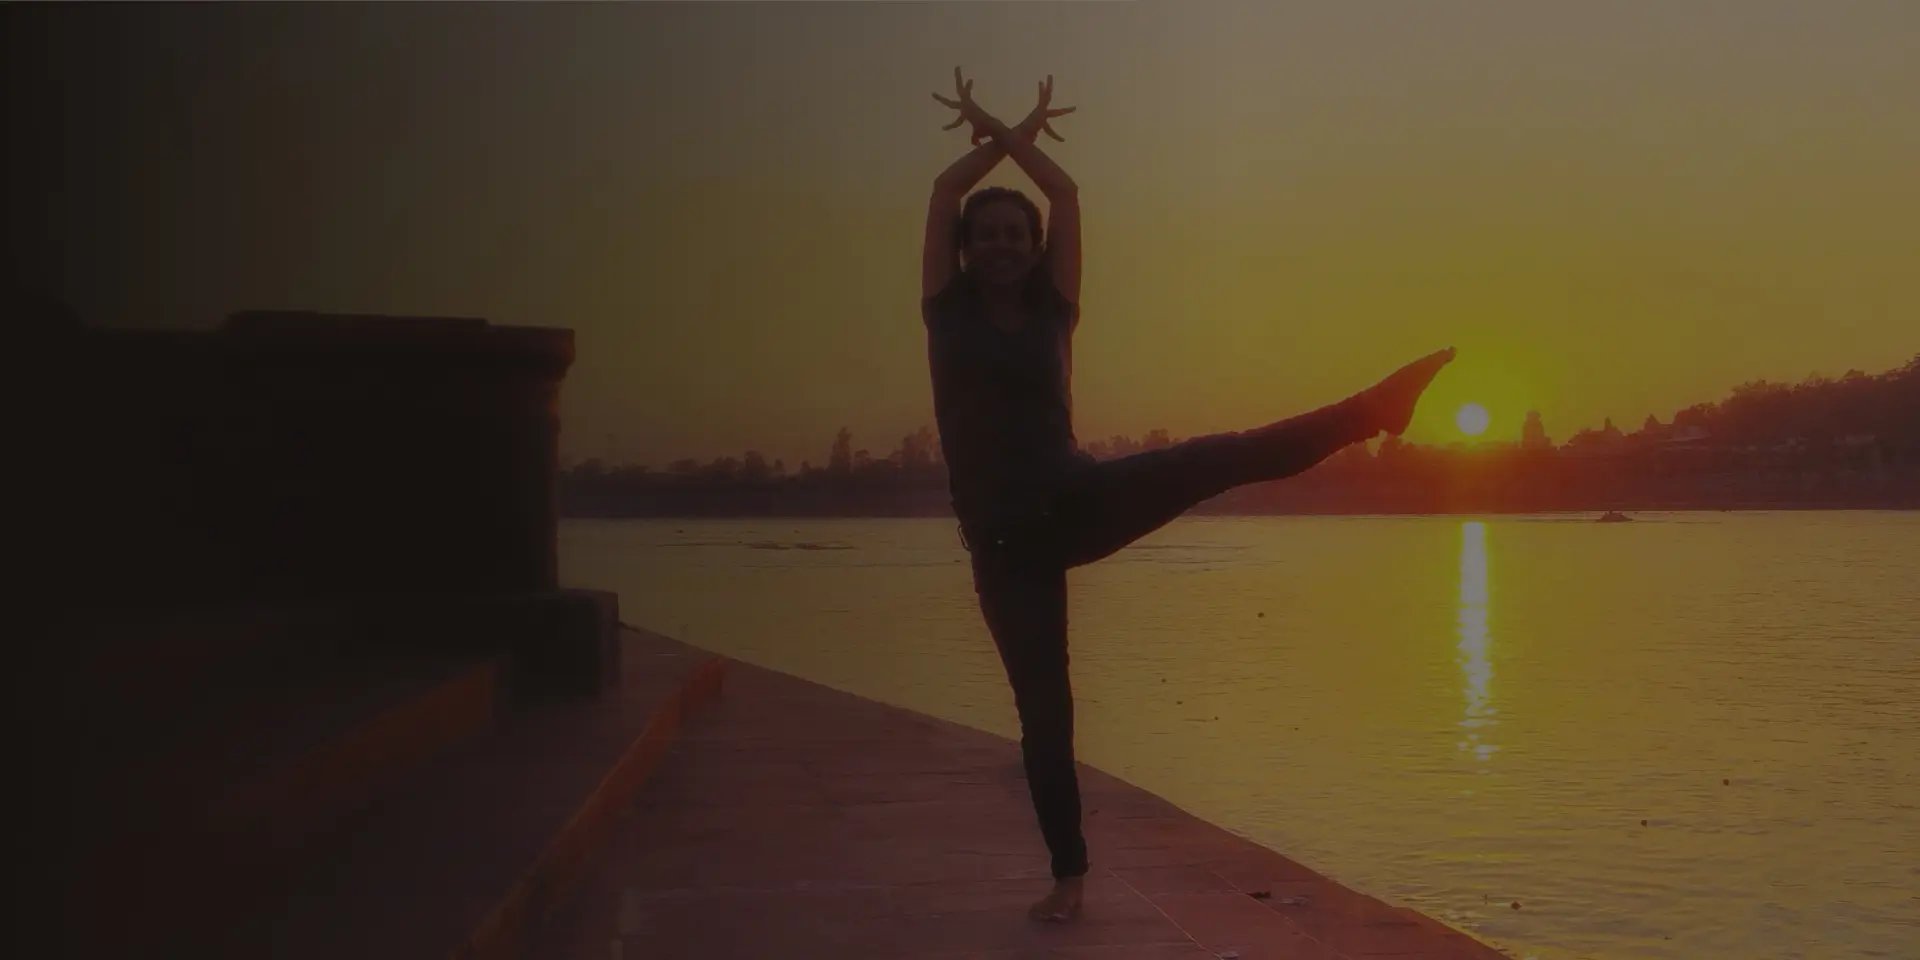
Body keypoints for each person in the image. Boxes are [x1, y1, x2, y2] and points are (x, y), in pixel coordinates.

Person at [921, 68, 1454, 922]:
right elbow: (947, 190)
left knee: (1220, 458)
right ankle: (1069, 878)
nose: (1001, 245)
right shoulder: (945, 312)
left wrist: (1018, 138)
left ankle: (1374, 410)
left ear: (1035, 244)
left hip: (1077, 499)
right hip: (1004, 550)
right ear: (964, 247)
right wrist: (995, 129)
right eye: (986, 235)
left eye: (1015, 233)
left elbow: (1067, 192)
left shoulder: (1057, 310)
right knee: (1046, 714)